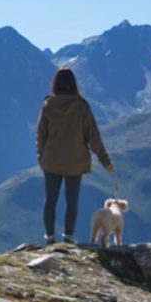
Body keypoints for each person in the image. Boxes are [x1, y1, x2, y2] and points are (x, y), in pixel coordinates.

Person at [36, 67, 114, 245]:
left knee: (50, 199)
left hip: (51, 160)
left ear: (55, 84)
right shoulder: (82, 106)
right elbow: (93, 136)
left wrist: (41, 156)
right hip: (75, 161)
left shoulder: (48, 105)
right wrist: (105, 161)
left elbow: (41, 135)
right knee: (72, 200)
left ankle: (49, 237)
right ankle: (68, 237)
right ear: (73, 84)